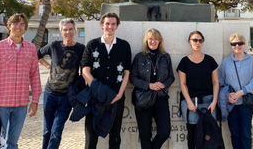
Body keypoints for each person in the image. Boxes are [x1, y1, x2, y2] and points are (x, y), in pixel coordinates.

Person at [0, 13, 42, 149]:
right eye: (15, 23)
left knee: (13, 142)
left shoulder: (31, 48)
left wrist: (35, 101)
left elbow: (35, 76)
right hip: (1, 104)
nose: (18, 27)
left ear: (25, 28)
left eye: (22, 24)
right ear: (9, 26)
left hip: (21, 104)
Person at [81, 12, 132, 149]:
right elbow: (85, 71)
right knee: (91, 137)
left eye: (113, 24)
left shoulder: (124, 46)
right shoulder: (92, 45)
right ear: (102, 25)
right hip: (94, 98)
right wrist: (99, 90)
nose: (110, 26)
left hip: (117, 97)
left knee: (115, 137)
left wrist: (120, 94)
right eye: (107, 23)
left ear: (117, 26)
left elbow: (127, 72)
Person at [37, 18, 85, 149]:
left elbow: (86, 68)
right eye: (65, 29)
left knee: (56, 130)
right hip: (50, 93)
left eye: (70, 29)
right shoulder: (54, 46)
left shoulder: (81, 49)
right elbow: (37, 54)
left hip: (67, 97)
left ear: (75, 31)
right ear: (61, 31)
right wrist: (47, 66)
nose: (68, 32)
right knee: (47, 130)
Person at [130, 28, 175, 149]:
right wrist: (148, 85)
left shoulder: (166, 57)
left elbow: (171, 77)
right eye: (150, 38)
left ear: (160, 41)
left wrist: (164, 84)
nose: (153, 41)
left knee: (164, 132)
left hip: (161, 98)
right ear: (146, 41)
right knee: (145, 135)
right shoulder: (139, 57)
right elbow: (132, 78)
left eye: (155, 39)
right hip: (143, 98)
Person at [177, 31, 219, 149]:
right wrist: (189, 102)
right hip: (191, 103)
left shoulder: (210, 60)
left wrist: (215, 101)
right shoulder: (184, 62)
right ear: (190, 42)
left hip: (209, 101)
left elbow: (216, 82)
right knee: (193, 135)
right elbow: (182, 84)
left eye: (200, 40)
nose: (197, 43)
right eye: (195, 40)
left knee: (208, 135)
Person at [218, 33, 253, 149]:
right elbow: (220, 81)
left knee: (245, 134)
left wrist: (241, 92)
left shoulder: (251, 61)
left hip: (245, 103)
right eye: (234, 44)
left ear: (244, 44)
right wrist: (227, 95)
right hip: (230, 104)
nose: (237, 46)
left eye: (240, 43)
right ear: (231, 46)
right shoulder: (226, 62)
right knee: (234, 134)